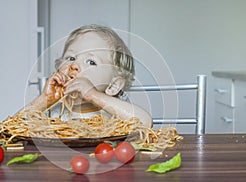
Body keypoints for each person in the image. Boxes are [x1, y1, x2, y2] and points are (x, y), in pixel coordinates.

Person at [23, 24, 152, 128]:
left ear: (113, 85)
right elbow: (11, 127)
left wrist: (93, 95)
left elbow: (145, 123)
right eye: (71, 57)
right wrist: (44, 100)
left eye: (91, 62)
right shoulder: (51, 112)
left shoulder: (113, 113)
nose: (74, 65)